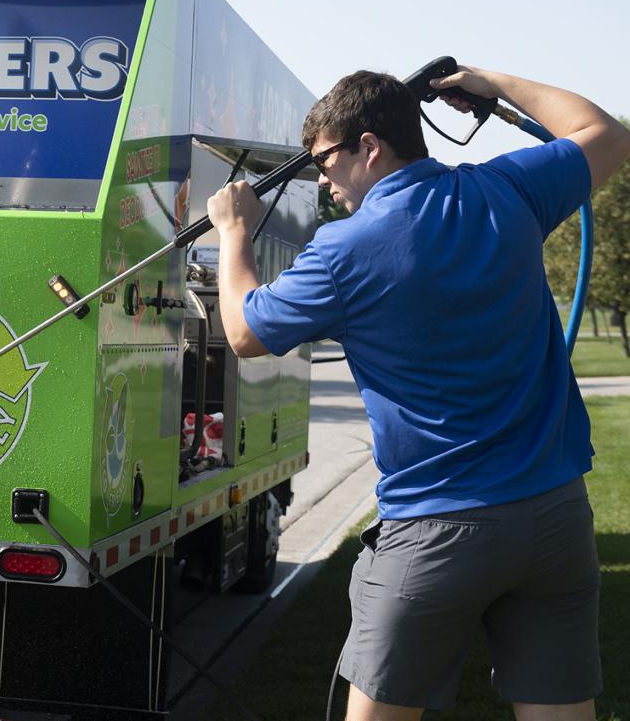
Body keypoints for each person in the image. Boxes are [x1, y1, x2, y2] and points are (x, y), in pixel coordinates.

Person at [206, 66, 630, 721]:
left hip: (436, 528)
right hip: (555, 519)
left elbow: (241, 329)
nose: (322, 179)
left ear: (369, 148)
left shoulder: (342, 250)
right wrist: (495, 82)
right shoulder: (508, 188)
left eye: (325, 160)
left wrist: (234, 230)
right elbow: (606, 131)